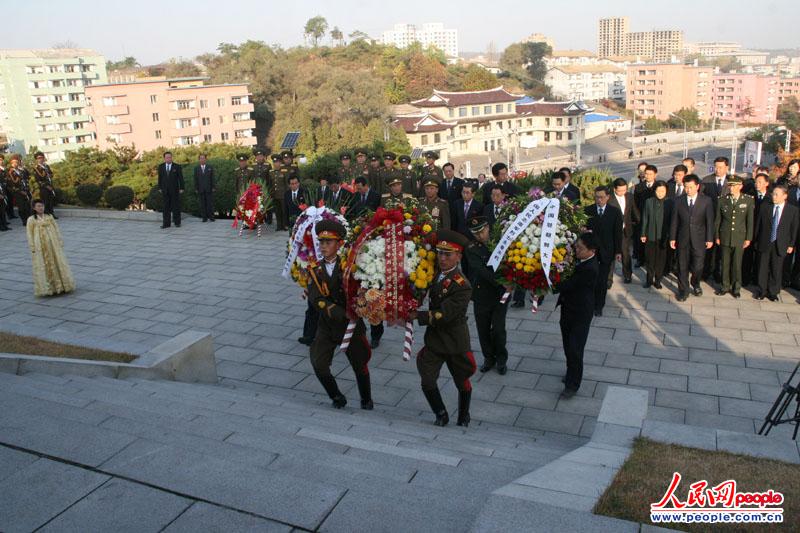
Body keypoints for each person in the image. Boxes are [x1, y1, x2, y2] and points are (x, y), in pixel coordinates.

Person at [409, 229, 475, 426]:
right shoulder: (434, 272)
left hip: (454, 340)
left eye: (448, 254)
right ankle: (441, 413)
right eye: (440, 253)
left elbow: (444, 315)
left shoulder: (462, 285)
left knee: (461, 380)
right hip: (436, 340)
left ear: (458, 256)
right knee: (427, 380)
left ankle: (463, 414)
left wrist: (417, 315)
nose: (442, 258)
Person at [307, 219, 373, 409]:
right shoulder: (315, 269)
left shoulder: (351, 266)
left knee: (360, 365)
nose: (324, 246)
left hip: (351, 327)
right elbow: (316, 298)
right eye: (321, 242)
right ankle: (336, 396)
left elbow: (363, 288)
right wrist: (339, 311)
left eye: (328, 242)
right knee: (318, 363)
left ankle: (366, 400)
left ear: (339, 244)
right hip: (327, 325)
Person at [555, 233, 598, 399]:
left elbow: (569, 284)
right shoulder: (579, 259)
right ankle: (569, 371)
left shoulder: (590, 268)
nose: (576, 250)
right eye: (576, 246)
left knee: (575, 349)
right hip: (567, 309)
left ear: (591, 251)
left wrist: (547, 285)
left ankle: (573, 385)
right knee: (567, 345)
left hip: (580, 313)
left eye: (580, 248)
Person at [466, 217, 510, 375]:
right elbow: (481, 270)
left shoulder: (500, 242)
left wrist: (510, 280)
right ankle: (488, 358)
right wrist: (501, 281)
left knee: (498, 329)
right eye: (476, 234)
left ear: (488, 228)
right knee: (483, 329)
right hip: (482, 294)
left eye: (482, 232)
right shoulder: (471, 248)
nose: (480, 236)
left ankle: (501, 359)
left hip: (500, 295)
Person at [670, 175, 714, 301]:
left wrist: (709, 238)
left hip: (699, 239)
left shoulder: (706, 201)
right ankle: (683, 290)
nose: (688, 190)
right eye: (686, 187)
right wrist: (672, 237)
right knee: (682, 266)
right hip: (682, 238)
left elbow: (709, 221)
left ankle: (695, 283)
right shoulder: (678, 201)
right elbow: (674, 221)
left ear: (697, 187)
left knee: (698, 266)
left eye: (691, 187)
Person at [753, 184, 799, 301]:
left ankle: (773, 292)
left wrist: (791, 244)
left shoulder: (792, 210)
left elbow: (794, 229)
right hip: (765, 241)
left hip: (781, 243)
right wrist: (756, 240)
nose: (774, 197)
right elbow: (758, 225)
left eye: (777, 195)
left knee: (776, 269)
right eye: (773, 194)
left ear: (785, 196)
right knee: (762, 267)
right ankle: (761, 290)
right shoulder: (765, 207)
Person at [584, 186, 622, 317]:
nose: (598, 200)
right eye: (596, 197)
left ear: (607, 197)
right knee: (591, 279)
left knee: (602, 280)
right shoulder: (588, 210)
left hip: (607, 251)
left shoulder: (615, 212)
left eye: (601, 197)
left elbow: (617, 233)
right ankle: (589, 303)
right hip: (591, 251)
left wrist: (618, 251)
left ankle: (599, 306)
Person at [714, 176, 754, 298]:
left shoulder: (747, 200)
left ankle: (736, 287)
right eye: (730, 186)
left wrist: (748, 238)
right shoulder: (722, 200)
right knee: (725, 262)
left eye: (734, 186)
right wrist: (717, 235)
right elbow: (718, 220)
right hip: (725, 235)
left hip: (739, 236)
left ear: (740, 186)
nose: (731, 188)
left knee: (737, 264)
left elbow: (750, 221)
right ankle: (725, 286)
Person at [26, 199, 75, 297]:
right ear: (34, 208)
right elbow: (29, 234)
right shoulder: (31, 219)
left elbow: (56, 228)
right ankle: (49, 287)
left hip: (52, 244)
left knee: (57, 262)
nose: (41, 208)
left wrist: (59, 240)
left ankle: (61, 286)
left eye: (42, 206)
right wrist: (32, 246)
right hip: (40, 245)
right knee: (44, 264)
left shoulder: (49, 217)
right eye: (38, 206)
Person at [640, 181, 673, 289]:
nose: (660, 193)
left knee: (660, 260)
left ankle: (658, 281)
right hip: (651, 235)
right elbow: (645, 218)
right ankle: (649, 280)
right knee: (650, 259)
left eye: (663, 191)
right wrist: (643, 233)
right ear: (654, 191)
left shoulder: (670, 202)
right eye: (658, 191)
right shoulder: (649, 202)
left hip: (663, 237)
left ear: (666, 191)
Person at [608, 178, 639, 285]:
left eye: (625, 190)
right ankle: (608, 279)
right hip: (612, 231)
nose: (623, 193)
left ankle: (627, 275)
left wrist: (640, 224)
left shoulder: (629, 196)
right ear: (614, 189)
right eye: (620, 191)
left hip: (625, 230)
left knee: (625, 253)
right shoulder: (609, 198)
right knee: (611, 255)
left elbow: (634, 210)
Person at [744, 173, 772, 286]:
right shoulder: (750, 196)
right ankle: (745, 279)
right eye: (756, 182)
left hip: (763, 232)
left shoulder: (770, 198)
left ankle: (757, 279)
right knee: (747, 256)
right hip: (750, 230)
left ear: (767, 183)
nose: (757, 184)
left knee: (761, 258)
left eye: (760, 182)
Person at [633, 164, 658, 267]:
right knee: (640, 241)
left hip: (655, 220)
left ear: (655, 174)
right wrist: (638, 217)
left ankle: (651, 261)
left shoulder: (659, 186)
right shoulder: (639, 187)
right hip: (641, 218)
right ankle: (640, 259)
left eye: (650, 174)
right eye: (646, 173)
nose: (647, 176)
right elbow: (635, 204)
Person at [157, 151, 184, 229]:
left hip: (175, 190)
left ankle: (177, 222)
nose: (168, 159)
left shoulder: (177, 166)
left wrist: (182, 188)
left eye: (170, 157)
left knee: (176, 207)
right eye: (167, 157)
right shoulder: (161, 167)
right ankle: (166, 223)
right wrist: (159, 187)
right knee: (165, 207)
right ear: (164, 158)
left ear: (172, 157)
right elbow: (160, 178)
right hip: (165, 190)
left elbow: (181, 178)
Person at [7, 156, 32, 225]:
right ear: (11, 163)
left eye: (16, 162)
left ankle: (29, 219)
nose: (15, 164)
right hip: (18, 192)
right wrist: (20, 191)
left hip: (25, 190)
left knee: (27, 206)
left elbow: (27, 178)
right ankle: (24, 221)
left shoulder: (21, 171)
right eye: (13, 163)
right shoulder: (10, 172)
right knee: (22, 207)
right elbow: (12, 184)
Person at [32, 152, 56, 217]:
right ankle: (46, 214)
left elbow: (51, 174)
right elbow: (38, 180)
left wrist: (50, 176)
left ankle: (51, 213)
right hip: (43, 187)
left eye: (42, 157)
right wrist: (47, 186)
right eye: (39, 158)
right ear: (36, 160)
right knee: (45, 201)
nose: (41, 159)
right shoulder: (36, 168)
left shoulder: (46, 166)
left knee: (51, 201)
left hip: (50, 185)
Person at [194, 154, 215, 222]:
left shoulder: (210, 167)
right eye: (201, 158)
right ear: (199, 159)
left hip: (209, 188)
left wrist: (213, 187)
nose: (202, 159)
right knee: (202, 204)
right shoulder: (196, 168)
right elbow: (195, 179)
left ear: (206, 159)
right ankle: (204, 218)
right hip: (200, 189)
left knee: (210, 204)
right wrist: (196, 188)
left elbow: (212, 178)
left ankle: (211, 217)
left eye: (203, 158)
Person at [269, 154, 288, 231]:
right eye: (274, 162)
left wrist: (287, 194)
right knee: (277, 211)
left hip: (283, 195)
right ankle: (279, 226)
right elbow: (270, 184)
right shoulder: (271, 172)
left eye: (277, 162)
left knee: (284, 211)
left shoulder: (284, 171)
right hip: (274, 195)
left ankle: (285, 225)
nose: (275, 164)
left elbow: (286, 184)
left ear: (280, 163)